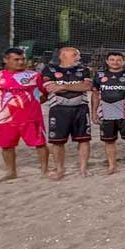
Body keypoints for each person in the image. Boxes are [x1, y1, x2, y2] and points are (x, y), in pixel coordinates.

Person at [0, 47, 49, 181]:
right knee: (6, 145)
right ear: (6, 60)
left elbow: (45, 94)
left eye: (23, 59)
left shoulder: (34, 76)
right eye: (16, 59)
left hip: (32, 118)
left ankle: (45, 171)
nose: (21, 62)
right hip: (7, 119)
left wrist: (32, 105)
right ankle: (11, 172)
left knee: (40, 144)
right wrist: (10, 106)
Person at [42, 46, 94, 179]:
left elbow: (87, 86)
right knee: (58, 142)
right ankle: (60, 169)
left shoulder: (84, 70)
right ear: (62, 55)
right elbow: (51, 88)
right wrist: (76, 87)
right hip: (58, 109)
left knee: (84, 140)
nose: (79, 57)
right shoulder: (49, 69)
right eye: (75, 55)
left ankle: (83, 169)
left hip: (81, 109)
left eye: (78, 55)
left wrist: (63, 86)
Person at [91, 51, 125, 174]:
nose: (115, 62)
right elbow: (95, 95)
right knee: (109, 141)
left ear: (123, 61)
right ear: (107, 61)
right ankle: (112, 166)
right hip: (106, 114)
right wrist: (94, 112)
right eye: (112, 59)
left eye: (118, 60)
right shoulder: (100, 75)